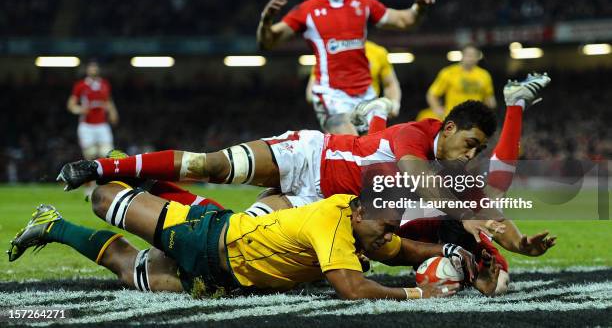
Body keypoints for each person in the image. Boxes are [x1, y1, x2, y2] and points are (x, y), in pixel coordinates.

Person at [57, 73, 554, 294]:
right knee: (209, 165)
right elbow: (416, 177)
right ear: (446, 129)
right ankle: (107, 170)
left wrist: (518, 244)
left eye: (477, 150)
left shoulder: (454, 170)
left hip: (319, 202)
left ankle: (145, 194)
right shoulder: (416, 137)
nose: (470, 156)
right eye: (467, 143)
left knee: (231, 246)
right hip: (309, 157)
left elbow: (492, 204)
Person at [7, 184, 501, 299]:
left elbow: (405, 251)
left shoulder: (365, 231)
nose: (388, 237)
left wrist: (452, 253)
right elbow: (351, 288)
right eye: (385, 227)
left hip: (222, 277)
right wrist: (418, 292)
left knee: (127, 269)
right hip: (205, 236)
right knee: (102, 197)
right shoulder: (334, 217)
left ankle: (51, 225)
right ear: (359, 209)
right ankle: (139, 173)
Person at [257, 0, 434, 135]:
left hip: (367, 94)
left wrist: (419, 8)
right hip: (331, 95)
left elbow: (404, 20)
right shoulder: (306, 10)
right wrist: (266, 21)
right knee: (351, 145)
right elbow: (267, 42)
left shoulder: (362, 1)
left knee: (374, 154)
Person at [306, 40, 402, 135]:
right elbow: (311, 92)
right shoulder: (328, 51)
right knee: (351, 145)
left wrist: (393, 103)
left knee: (369, 148)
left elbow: (390, 84)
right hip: (338, 114)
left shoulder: (377, 52)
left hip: (368, 114)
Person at [67, 60, 119, 200]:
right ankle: (89, 188)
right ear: (87, 70)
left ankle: (106, 187)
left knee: (107, 155)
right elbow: (71, 104)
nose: (93, 70)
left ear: (98, 70)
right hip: (87, 125)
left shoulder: (104, 84)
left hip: (102, 124)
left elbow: (108, 101)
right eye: (91, 68)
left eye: (95, 68)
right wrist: (79, 109)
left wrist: (113, 112)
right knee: (89, 156)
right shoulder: (81, 85)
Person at [426, 45, 496, 119]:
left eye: (474, 55)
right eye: (468, 55)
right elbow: (432, 94)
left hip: (476, 119)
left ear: (478, 57)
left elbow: (489, 97)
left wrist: (491, 106)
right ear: (462, 55)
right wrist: (437, 109)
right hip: (454, 118)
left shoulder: (484, 75)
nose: (471, 58)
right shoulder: (448, 72)